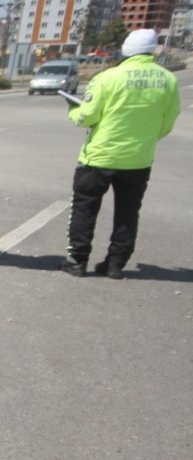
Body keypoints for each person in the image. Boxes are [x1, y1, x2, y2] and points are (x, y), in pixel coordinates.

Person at [60, 28, 181, 278]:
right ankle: (116, 264)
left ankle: (77, 260)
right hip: (138, 159)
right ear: (152, 51)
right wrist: (144, 140)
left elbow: (87, 116)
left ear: (126, 50)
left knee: (84, 208)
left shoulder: (108, 77)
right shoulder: (168, 80)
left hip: (99, 157)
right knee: (127, 212)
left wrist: (73, 109)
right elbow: (167, 122)